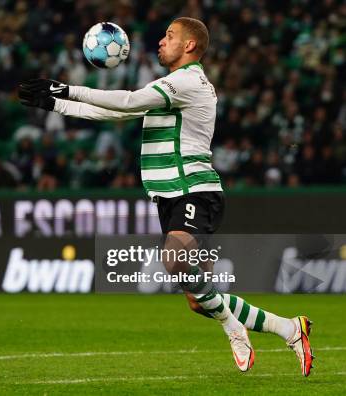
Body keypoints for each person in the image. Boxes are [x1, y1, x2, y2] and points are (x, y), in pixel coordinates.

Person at [19, 17, 314, 376]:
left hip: (195, 189)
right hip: (169, 195)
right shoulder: (169, 86)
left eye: (169, 36)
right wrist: (55, 105)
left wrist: (66, 90)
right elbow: (115, 111)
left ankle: (234, 329)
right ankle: (289, 328)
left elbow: (127, 101)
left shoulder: (188, 82)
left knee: (174, 259)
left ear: (189, 45)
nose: (161, 42)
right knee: (198, 299)